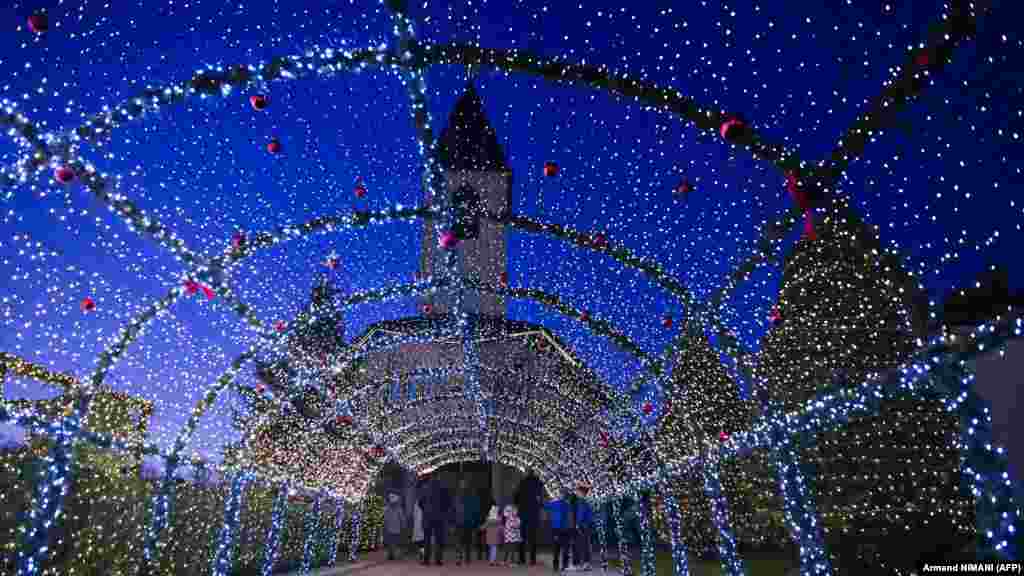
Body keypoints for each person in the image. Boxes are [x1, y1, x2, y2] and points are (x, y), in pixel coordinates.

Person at [419, 475, 452, 565]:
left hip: (428, 516)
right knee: (439, 539)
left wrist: (426, 509)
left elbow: (420, 503)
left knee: (427, 539)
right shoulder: (443, 488)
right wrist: (443, 511)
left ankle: (426, 559)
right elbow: (448, 502)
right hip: (440, 516)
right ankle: (438, 560)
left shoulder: (425, 487)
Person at [516, 469, 544, 565]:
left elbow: (516, 497)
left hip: (523, 513)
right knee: (533, 537)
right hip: (534, 513)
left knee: (522, 536)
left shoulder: (522, 483)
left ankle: (521, 559)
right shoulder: (538, 483)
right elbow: (540, 499)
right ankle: (532, 559)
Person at [544, 487, 574, 572]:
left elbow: (545, 505)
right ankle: (564, 565)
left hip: (558, 529)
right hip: (564, 529)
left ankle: (556, 566)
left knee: (557, 548)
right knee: (564, 548)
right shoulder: (567, 505)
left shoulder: (555, 503)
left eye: (561, 493)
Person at [455, 479, 482, 565]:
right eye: (462, 484)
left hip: (463, 521)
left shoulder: (458, 496)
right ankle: (465, 558)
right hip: (464, 521)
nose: (462, 485)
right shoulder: (471, 495)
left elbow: (454, 508)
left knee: (463, 541)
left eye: (463, 484)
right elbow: (476, 509)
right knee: (465, 541)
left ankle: (462, 558)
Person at [572, 485, 594, 572]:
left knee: (580, 544)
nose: (576, 493)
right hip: (587, 525)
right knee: (586, 544)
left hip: (582, 525)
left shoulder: (582, 501)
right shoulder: (587, 501)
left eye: (577, 491)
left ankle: (580, 564)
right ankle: (586, 563)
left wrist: (577, 524)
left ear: (581, 492)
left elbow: (581, 513)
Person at [382, 492, 406, 560]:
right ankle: (392, 554)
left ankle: (392, 554)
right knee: (392, 542)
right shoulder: (388, 509)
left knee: (393, 542)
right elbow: (385, 518)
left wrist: (403, 525)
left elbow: (401, 518)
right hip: (392, 528)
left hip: (393, 528)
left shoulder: (395, 509)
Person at [412, 496, 425, 561]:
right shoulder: (427, 502)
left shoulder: (416, 503)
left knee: (420, 541)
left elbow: (414, 514)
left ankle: (422, 553)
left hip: (419, 523)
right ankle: (422, 553)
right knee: (423, 540)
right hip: (423, 523)